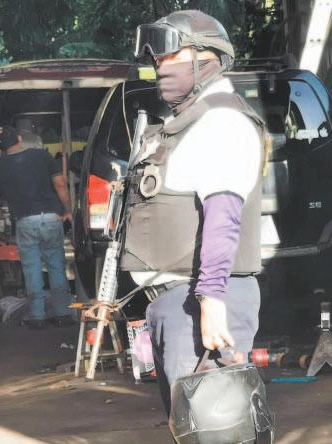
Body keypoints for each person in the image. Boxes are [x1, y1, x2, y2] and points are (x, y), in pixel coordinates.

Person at [122, 9, 267, 418]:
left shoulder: (221, 122)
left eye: (170, 55)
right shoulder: (186, 122)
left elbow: (224, 215)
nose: (159, 65)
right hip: (178, 303)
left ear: (207, 59)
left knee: (215, 430)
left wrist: (212, 301)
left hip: (203, 300)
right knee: (193, 427)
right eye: (156, 58)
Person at [0, 125, 74, 329]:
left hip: (25, 222)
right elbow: (60, 184)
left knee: (32, 269)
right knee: (56, 266)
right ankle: (63, 314)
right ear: (19, 138)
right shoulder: (42, 156)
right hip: (52, 218)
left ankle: (37, 317)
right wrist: (68, 210)